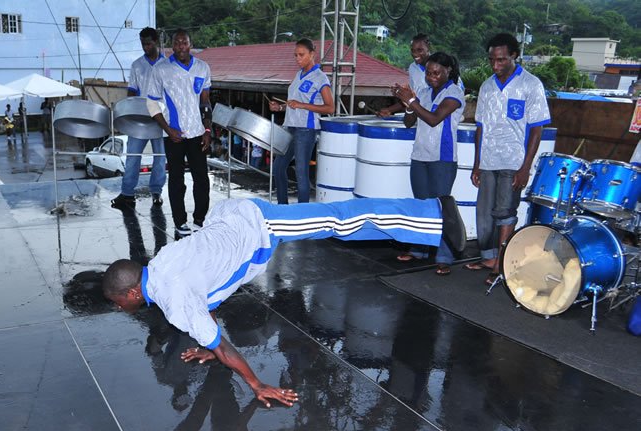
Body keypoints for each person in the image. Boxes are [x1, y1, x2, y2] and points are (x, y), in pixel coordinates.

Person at [102, 195, 467, 407]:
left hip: (260, 226)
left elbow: (225, 346)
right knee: (338, 222)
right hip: (233, 216)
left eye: (118, 302)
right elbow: (203, 298)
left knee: (339, 219)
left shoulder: (174, 302)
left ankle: (434, 215)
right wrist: (207, 344)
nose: (120, 308)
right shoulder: (160, 264)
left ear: (132, 293)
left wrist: (257, 385)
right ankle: (429, 220)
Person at [466, 33, 550, 284]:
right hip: (488, 160)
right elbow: (480, 127)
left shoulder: (531, 84)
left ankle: (501, 265)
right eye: (492, 60)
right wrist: (477, 163)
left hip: (514, 161)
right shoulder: (487, 86)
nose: (495, 65)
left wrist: (525, 168)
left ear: (514, 55)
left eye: (501, 60)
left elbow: (537, 129)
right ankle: (490, 258)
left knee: (505, 212)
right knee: (485, 215)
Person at [391, 52, 465, 275]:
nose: (431, 77)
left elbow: (433, 119)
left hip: (442, 158)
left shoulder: (454, 92)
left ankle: (445, 257)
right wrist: (407, 103)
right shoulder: (423, 91)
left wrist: (412, 101)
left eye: (436, 73)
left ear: (448, 71)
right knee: (421, 206)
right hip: (420, 156)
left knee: (441, 208)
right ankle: (419, 249)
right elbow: (408, 122)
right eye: (428, 73)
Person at [146, 28, 212, 237]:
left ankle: (200, 220)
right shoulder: (161, 69)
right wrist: (168, 129)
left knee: (201, 178)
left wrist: (208, 129)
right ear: (171, 45)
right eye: (177, 43)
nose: (180, 47)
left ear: (190, 44)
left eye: (184, 43)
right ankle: (179, 222)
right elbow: (151, 103)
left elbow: (205, 102)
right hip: (174, 135)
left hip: (197, 133)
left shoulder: (202, 68)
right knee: (176, 180)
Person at [268, 38, 334, 204]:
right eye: (296, 55)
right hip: (290, 127)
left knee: (301, 173)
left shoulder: (320, 78)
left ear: (312, 54)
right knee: (278, 167)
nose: (298, 58)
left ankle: (302, 214)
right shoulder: (298, 75)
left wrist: (302, 105)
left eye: (301, 55)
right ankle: (283, 207)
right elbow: (293, 105)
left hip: (306, 130)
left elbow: (330, 108)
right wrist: (280, 108)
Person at [111, 27, 167, 210]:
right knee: (133, 156)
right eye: (143, 44)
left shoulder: (167, 65)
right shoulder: (137, 65)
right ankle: (127, 193)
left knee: (160, 157)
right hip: (140, 118)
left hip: (160, 117)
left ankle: (156, 192)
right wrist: (128, 110)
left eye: (149, 44)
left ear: (156, 42)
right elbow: (132, 91)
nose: (145, 47)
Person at [379, 34, 432, 118]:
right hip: (420, 121)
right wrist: (390, 109)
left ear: (429, 48)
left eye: (419, 50)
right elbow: (412, 98)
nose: (415, 54)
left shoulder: (441, 66)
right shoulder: (413, 68)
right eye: (412, 50)